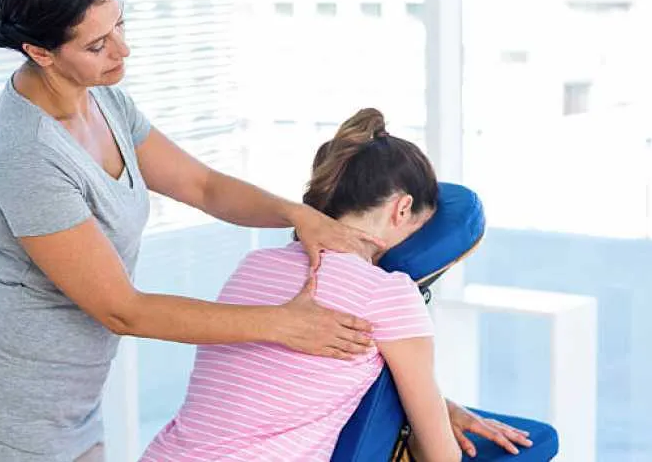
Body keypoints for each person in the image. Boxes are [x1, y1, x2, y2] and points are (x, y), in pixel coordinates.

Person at [0, 0, 384, 462]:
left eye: (119, 24)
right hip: (0, 411)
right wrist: (283, 322)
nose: (122, 50)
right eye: (98, 45)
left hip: (68, 406)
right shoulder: (27, 156)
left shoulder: (103, 98)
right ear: (40, 53)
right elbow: (124, 310)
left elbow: (203, 186)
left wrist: (298, 215)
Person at [140, 109, 534, 461]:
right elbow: (440, 457)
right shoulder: (389, 293)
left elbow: (280, 386)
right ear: (401, 209)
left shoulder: (255, 265)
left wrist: (439, 404)